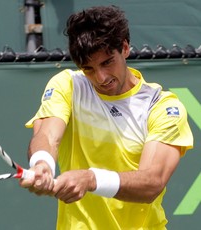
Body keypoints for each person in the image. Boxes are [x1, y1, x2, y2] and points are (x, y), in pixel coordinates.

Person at [20, 5, 193, 230]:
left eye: (107, 62)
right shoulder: (69, 85)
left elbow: (152, 182)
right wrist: (42, 163)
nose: (101, 77)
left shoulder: (161, 106)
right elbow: (47, 135)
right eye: (88, 68)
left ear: (125, 48)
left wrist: (91, 179)